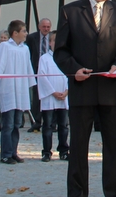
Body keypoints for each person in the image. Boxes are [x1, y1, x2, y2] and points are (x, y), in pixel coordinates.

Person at [54, 0, 116, 197]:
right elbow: (60, 51)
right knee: (78, 147)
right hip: (82, 89)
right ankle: (77, 193)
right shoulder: (70, 11)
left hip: (111, 90)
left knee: (113, 147)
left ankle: (115, 193)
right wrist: (74, 70)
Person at [0, 19, 36, 164]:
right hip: (8, 89)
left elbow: (28, 67)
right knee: (7, 124)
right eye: (24, 31)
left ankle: (13, 152)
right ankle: (5, 154)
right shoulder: (4, 47)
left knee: (16, 124)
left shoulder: (25, 49)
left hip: (20, 89)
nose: (26, 34)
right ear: (15, 33)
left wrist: (31, 85)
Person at [38, 31, 69, 162]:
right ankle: (46, 152)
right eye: (54, 40)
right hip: (50, 96)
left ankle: (64, 150)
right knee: (48, 125)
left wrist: (66, 91)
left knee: (64, 125)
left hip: (63, 96)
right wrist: (53, 92)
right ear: (50, 43)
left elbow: (69, 75)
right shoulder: (44, 58)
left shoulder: (67, 58)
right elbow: (42, 77)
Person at [27, 18, 53, 132]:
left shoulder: (53, 37)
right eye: (44, 27)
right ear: (39, 27)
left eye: (48, 27)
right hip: (36, 70)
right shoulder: (32, 38)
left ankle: (51, 124)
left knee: (51, 95)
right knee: (37, 97)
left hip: (51, 71)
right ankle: (36, 123)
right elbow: (28, 54)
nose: (46, 29)